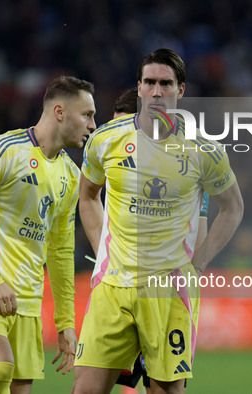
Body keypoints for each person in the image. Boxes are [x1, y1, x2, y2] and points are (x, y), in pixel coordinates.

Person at [72, 48, 243, 394]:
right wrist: (101, 251)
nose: (156, 91)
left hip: (168, 290)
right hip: (113, 287)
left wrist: (199, 261)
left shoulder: (204, 150)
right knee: (85, 390)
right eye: (149, 82)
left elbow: (233, 207)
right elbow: (87, 196)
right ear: (138, 87)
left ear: (181, 90)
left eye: (165, 83)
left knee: (165, 390)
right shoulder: (106, 140)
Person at [0, 76, 96, 394]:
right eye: (86, 115)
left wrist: (65, 322)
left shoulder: (71, 176)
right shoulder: (4, 150)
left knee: (19, 388)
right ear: (59, 112)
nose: (93, 125)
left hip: (27, 301)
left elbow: (59, 251)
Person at [109, 87, 211, 391]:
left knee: (162, 384)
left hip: (167, 287)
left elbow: (201, 221)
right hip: (120, 284)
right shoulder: (116, 167)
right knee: (106, 379)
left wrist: (196, 270)